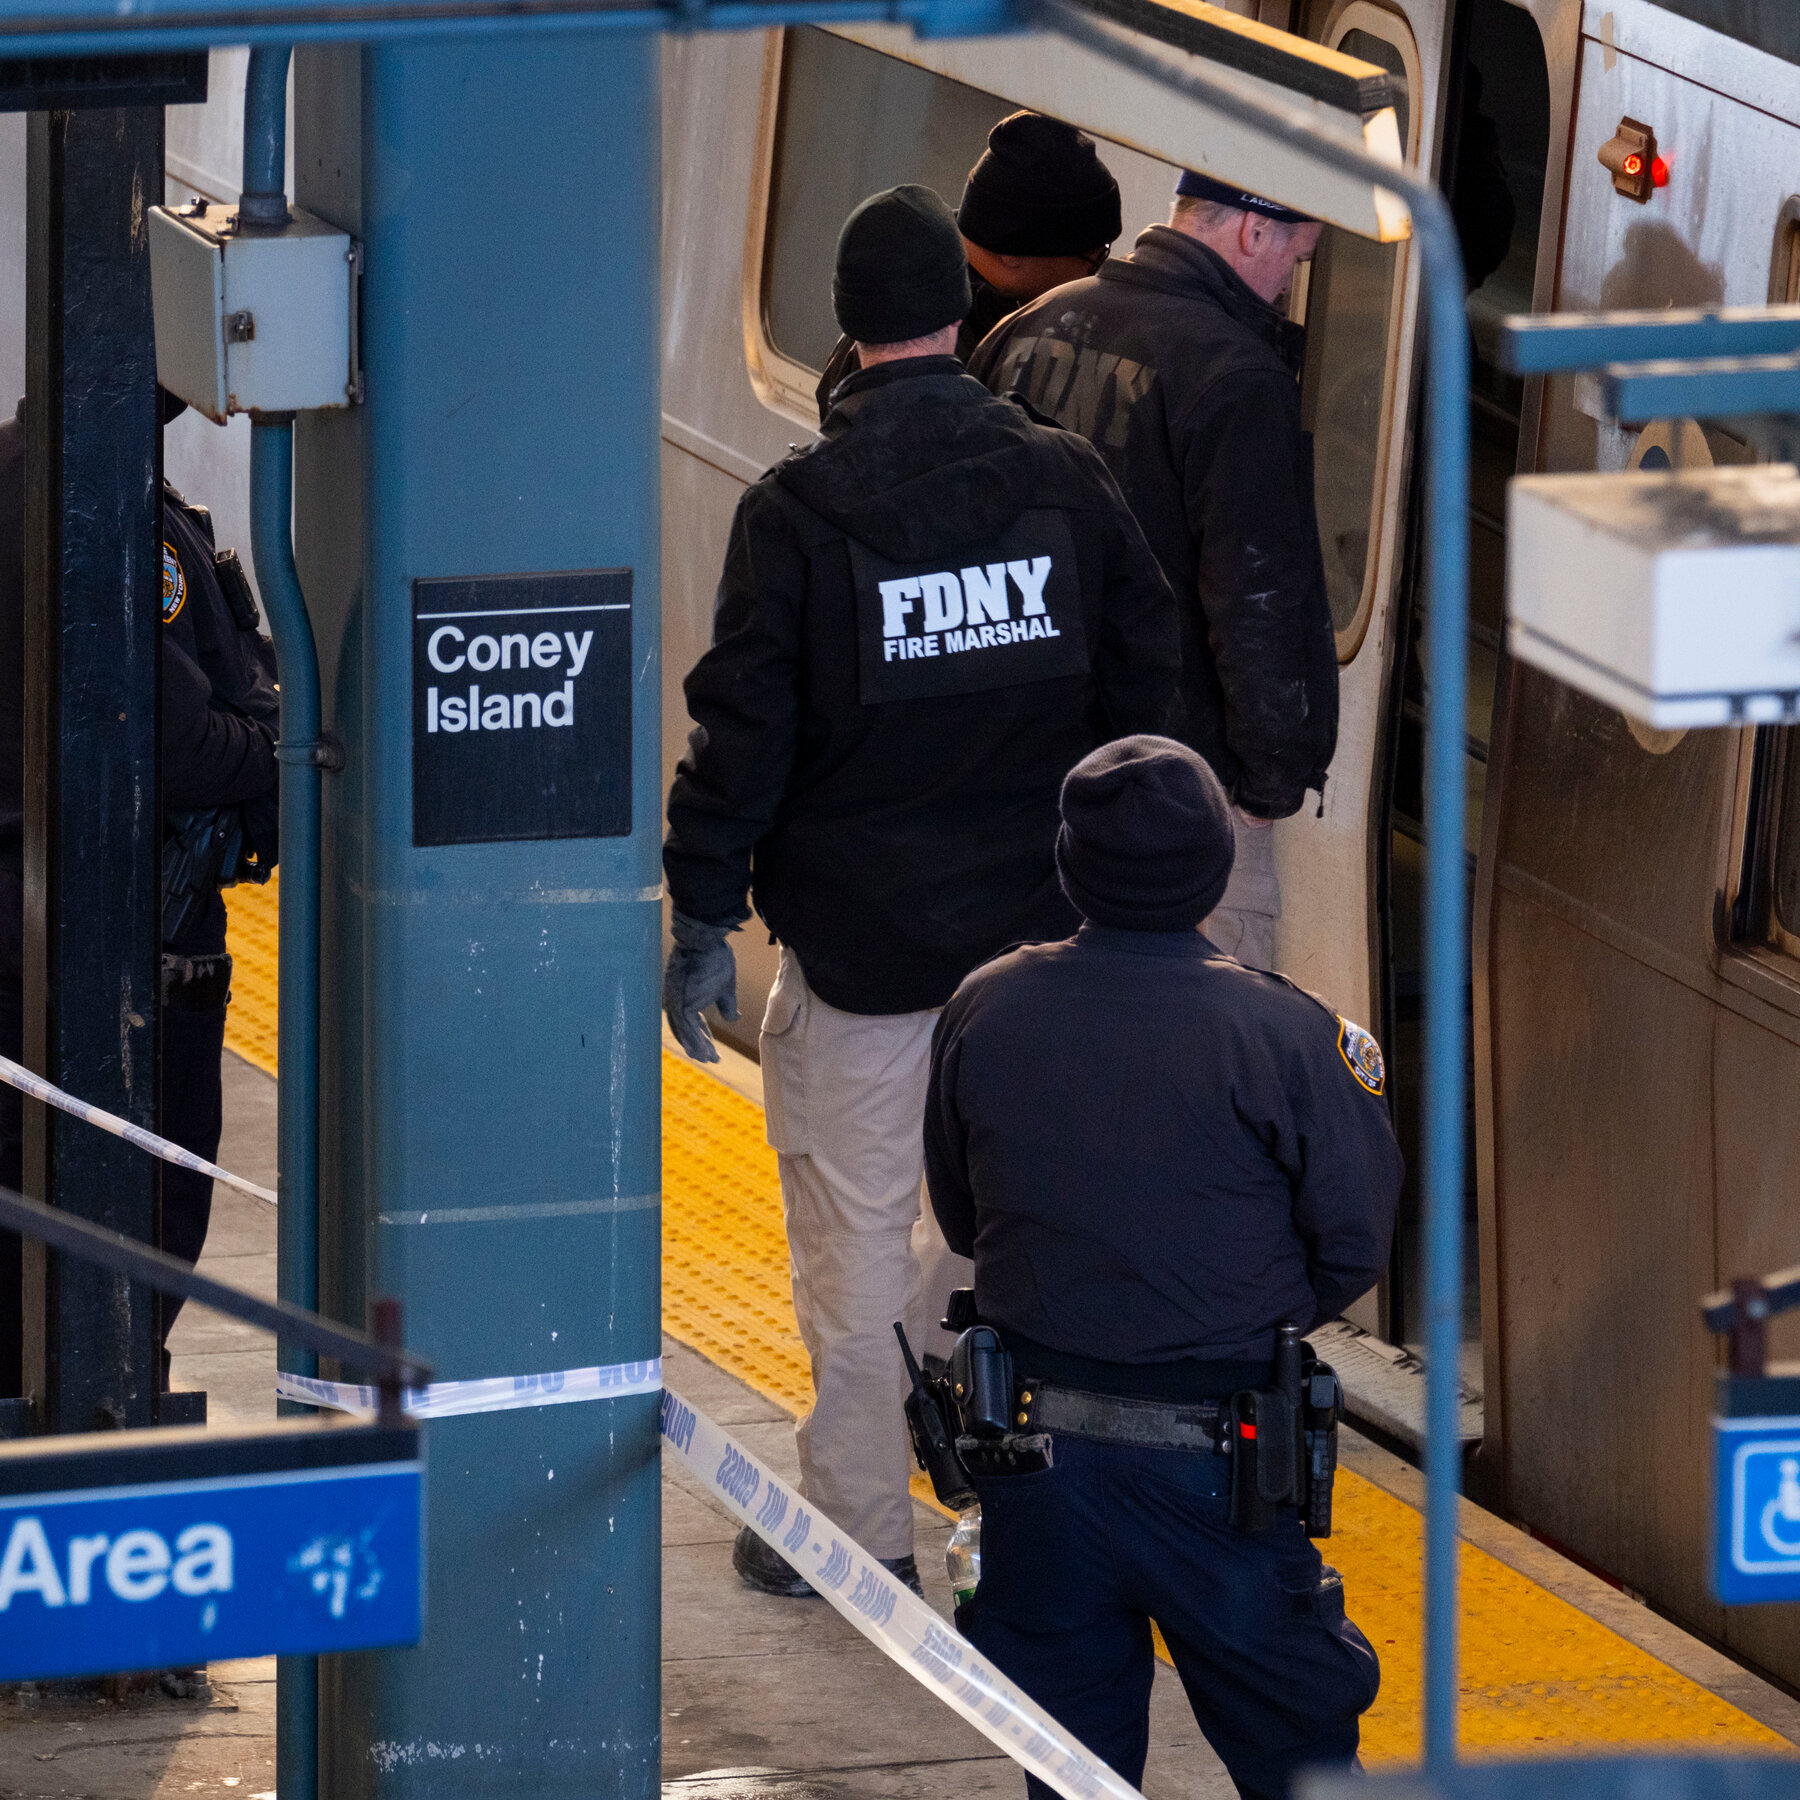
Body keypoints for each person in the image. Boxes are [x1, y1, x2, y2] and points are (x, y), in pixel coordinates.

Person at [663, 185, 1179, 1598]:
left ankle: (849, 1534)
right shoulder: (1065, 483)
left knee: (850, 1236)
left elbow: (741, 740)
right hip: (1039, 958)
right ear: (960, 312)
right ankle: (1003, 1508)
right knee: (994, 1240)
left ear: (849, 327)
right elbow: (1149, 702)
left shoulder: (801, 516)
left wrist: (702, 911)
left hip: (867, 961)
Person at [924, 735, 1401, 1800]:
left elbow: (965, 1216)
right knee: (1301, 1757)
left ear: (1067, 865)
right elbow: (1353, 1248)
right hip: (1221, 1473)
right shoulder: (1287, 1034)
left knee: (1069, 1765)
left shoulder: (985, 1005)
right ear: (1216, 869)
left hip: (1034, 1466)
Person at [969, 171, 1337, 972]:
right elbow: (1256, 599)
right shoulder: (1238, 378)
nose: (1288, 285)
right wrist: (1267, 788)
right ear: (1253, 232)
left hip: (1023, 772)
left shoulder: (1026, 328)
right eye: (1296, 260)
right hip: (1173, 794)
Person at [0, 391, 280, 1397]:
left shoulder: (39, 467)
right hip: (129, 949)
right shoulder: (100, 509)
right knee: (138, 1230)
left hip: (50, 933)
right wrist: (286, 748)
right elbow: (180, 744)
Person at [814, 112, 1121, 423]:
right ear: (1013, 257)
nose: (1097, 274)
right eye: (1094, 259)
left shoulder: (931, 283)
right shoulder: (933, 346)